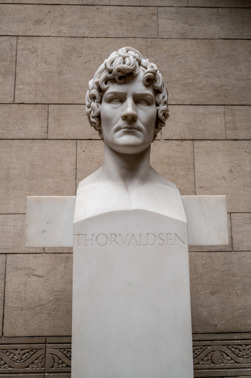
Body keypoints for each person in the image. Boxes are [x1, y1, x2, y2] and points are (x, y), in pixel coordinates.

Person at [74, 47, 186, 223]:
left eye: (142, 101)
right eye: (115, 100)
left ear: (159, 112)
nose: (129, 112)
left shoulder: (170, 195)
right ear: (97, 111)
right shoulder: (86, 194)